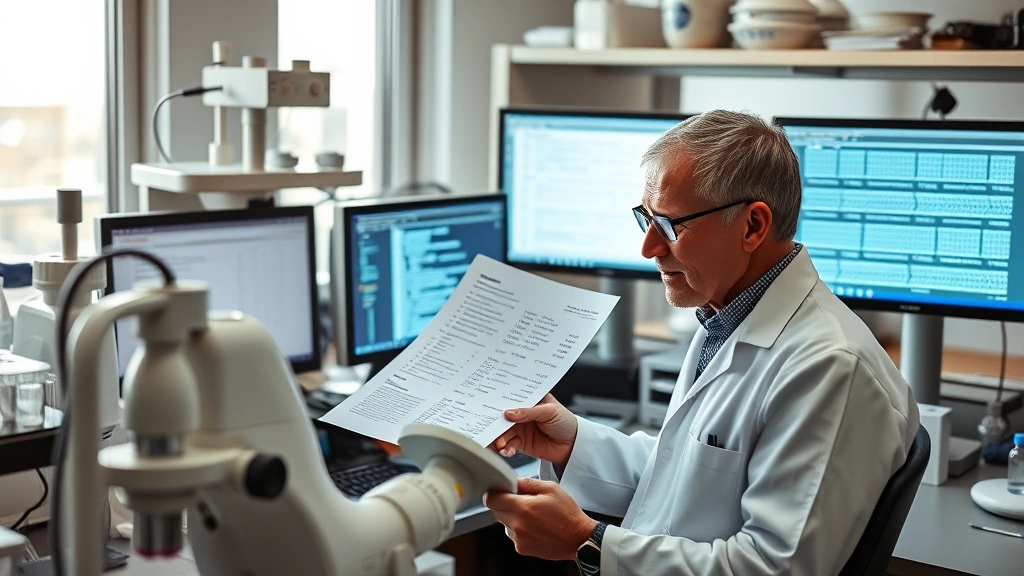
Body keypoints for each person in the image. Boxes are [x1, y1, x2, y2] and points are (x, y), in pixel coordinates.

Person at [483, 110, 920, 576]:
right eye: (645, 220)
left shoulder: (830, 368)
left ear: (752, 226)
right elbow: (687, 475)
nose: (649, 248)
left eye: (670, 225)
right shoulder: (726, 315)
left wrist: (587, 543)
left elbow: (773, 569)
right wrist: (572, 442)